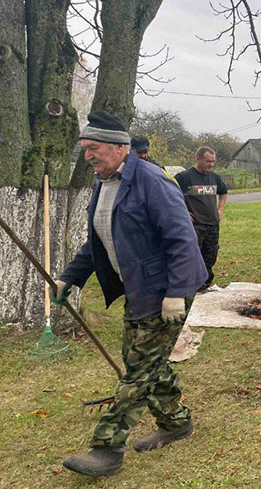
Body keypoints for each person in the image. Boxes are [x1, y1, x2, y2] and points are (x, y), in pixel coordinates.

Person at [52, 110, 207, 477]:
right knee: (146, 362)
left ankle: (107, 449)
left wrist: (177, 292)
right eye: (84, 149)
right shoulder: (104, 182)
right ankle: (176, 422)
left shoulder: (152, 180)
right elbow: (97, 241)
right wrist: (69, 279)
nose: (88, 156)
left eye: (95, 148)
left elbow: (183, 238)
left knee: (138, 371)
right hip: (138, 289)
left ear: (121, 148)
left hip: (166, 290)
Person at [175, 146, 228, 292]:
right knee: (193, 257)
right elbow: (170, 196)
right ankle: (192, 286)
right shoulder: (184, 177)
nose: (211, 165)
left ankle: (204, 284)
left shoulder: (214, 177)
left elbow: (223, 192)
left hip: (212, 225)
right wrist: (183, 212)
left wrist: (220, 209)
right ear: (198, 158)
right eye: (208, 161)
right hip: (195, 226)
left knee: (210, 257)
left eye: (213, 162)